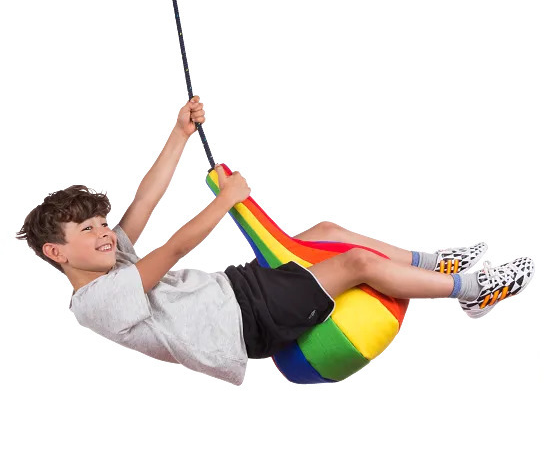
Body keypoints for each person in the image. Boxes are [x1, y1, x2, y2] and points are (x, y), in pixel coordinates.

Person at [15, 97, 535, 386]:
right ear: (56, 253)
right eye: (88, 230)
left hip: (241, 288)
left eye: (102, 223)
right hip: (249, 322)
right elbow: (171, 250)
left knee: (326, 231)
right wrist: (226, 199)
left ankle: (436, 262)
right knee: (355, 262)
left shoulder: (111, 260)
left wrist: (179, 134)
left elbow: (146, 199)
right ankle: (471, 291)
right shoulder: (97, 302)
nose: (105, 233)